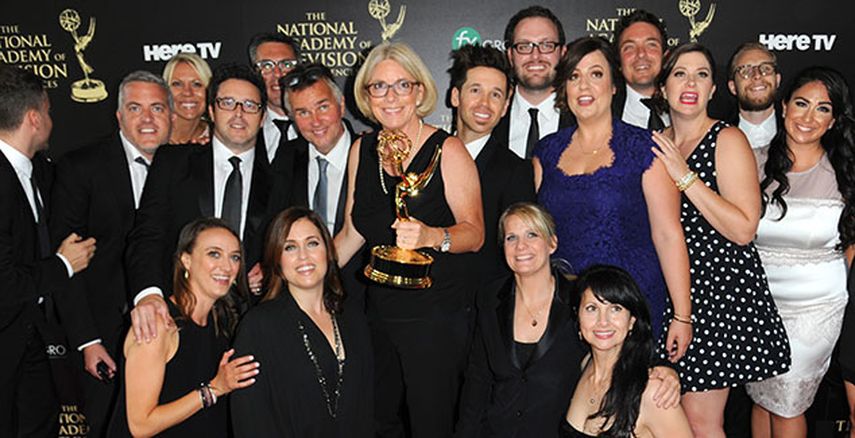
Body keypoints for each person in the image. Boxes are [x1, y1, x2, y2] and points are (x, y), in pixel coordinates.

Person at [335, 41, 484, 437]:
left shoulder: (447, 149)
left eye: (402, 85)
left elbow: (475, 233)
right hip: (377, 315)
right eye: (379, 87)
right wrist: (307, 270)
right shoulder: (361, 150)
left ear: (420, 91)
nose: (390, 96)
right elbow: (352, 234)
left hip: (435, 317)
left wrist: (433, 235)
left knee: (430, 425)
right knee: (380, 422)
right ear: (366, 95)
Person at [650, 42, 791, 437]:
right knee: (664, 416)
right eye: (680, 73)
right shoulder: (655, 143)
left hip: (717, 296)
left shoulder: (727, 139)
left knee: (701, 422)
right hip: (665, 292)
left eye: (701, 74)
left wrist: (685, 177)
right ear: (662, 86)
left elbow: (745, 228)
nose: (690, 83)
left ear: (714, 89)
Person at [456, 203, 680, 438]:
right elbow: (477, 380)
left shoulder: (580, 299)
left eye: (532, 234)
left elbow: (618, 341)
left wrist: (665, 369)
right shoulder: (490, 298)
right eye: (511, 238)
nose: (521, 246)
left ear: (552, 243)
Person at [533, 36, 691, 345]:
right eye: (574, 76)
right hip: (566, 309)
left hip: (633, 305)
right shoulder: (546, 152)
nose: (584, 86)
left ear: (614, 84)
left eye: (596, 74)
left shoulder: (646, 149)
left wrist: (682, 315)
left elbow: (668, 235)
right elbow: (540, 237)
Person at [125, 64, 291, 343]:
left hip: (251, 328)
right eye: (228, 103)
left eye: (250, 105)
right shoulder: (172, 163)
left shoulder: (280, 180)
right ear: (212, 111)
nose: (239, 113)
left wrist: (269, 267)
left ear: (262, 116)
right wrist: (149, 295)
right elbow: (147, 235)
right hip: (176, 317)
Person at [50, 70, 173, 437]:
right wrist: (88, 341)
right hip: (105, 339)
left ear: (171, 114)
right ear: (118, 116)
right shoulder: (79, 168)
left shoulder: (189, 166)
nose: (148, 119)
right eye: (135, 108)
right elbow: (64, 267)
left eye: (157, 108)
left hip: (170, 336)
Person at [744, 66, 855, 438]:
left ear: (834, 119)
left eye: (822, 109)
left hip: (815, 311)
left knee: (788, 402)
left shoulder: (845, 171)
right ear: (783, 106)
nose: (809, 117)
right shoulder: (751, 162)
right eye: (802, 104)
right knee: (762, 399)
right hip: (758, 306)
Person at [0, 62, 96, 438]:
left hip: (33, 343)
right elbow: (4, 284)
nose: (53, 121)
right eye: (50, 111)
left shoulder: (36, 169)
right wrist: (63, 265)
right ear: (34, 118)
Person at [109, 218, 258, 437]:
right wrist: (214, 389)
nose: (227, 267)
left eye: (234, 257)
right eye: (214, 254)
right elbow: (141, 425)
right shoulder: (158, 323)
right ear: (186, 260)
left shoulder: (223, 321)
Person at [231, 207, 373, 437]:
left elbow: (368, 406)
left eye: (312, 243)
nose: (303, 256)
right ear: (277, 261)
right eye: (290, 247)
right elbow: (250, 419)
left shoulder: (353, 317)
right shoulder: (258, 326)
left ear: (328, 251)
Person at [563, 264, 692, 437]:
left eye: (615, 309)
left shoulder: (653, 392)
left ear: (632, 321)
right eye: (592, 308)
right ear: (578, 318)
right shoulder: (584, 364)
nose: (603, 321)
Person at [447, 43, 536, 282]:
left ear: (506, 106)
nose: (484, 103)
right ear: (456, 96)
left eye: (495, 94)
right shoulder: (426, 157)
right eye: (475, 90)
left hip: (483, 307)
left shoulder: (516, 171)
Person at [494, 6, 573, 158]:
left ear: (563, 54)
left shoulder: (583, 120)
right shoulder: (488, 118)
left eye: (546, 45)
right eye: (524, 46)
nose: (535, 56)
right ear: (510, 55)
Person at [612, 9, 670, 130]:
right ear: (619, 61)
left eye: (651, 45)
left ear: (666, 56)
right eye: (629, 47)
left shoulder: (690, 107)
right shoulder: (605, 113)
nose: (641, 54)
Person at [247, 32, 301, 164]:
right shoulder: (243, 126)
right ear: (254, 72)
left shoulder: (320, 126)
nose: (277, 74)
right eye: (267, 66)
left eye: (286, 65)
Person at [726, 42, 782, 149]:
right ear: (733, 87)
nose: (757, 76)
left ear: (777, 80)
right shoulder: (717, 135)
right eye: (746, 71)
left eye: (766, 69)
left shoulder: (798, 131)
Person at [162, 52, 212, 144]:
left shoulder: (220, 139)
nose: (187, 92)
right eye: (177, 84)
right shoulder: (150, 136)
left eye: (196, 84)